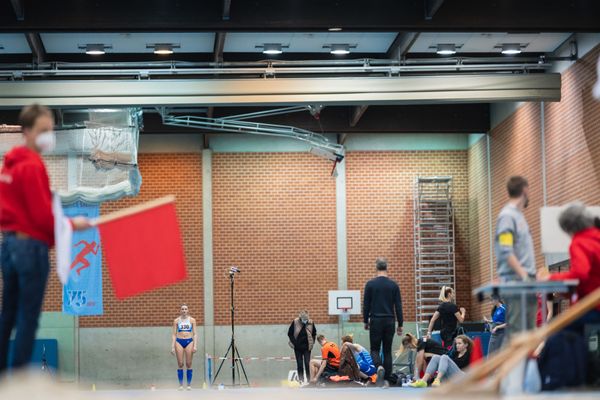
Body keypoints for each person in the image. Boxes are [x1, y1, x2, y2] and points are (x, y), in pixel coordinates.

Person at [0, 104, 91, 374]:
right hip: (30, 249)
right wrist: (71, 224)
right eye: (43, 131)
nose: (48, 136)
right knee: (28, 316)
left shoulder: (9, 166)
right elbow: (41, 216)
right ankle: (17, 378)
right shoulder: (31, 165)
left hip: (9, 246)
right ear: (26, 131)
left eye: (50, 130)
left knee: (8, 314)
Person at [538, 202, 600, 333]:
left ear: (568, 228)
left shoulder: (579, 242)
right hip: (594, 302)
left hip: (592, 306)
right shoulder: (596, 238)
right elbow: (591, 277)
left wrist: (551, 278)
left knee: (558, 334)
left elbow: (580, 274)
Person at [495, 176, 537, 338]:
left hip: (525, 279)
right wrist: (524, 275)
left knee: (528, 332)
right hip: (517, 281)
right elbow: (506, 250)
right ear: (525, 190)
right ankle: (511, 364)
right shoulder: (508, 217)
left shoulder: (519, 216)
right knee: (517, 333)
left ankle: (526, 363)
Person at [363, 257, 403, 384]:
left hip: (376, 319)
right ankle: (387, 379)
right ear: (387, 267)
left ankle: (379, 366)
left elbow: (366, 305)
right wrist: (400, 323)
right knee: (387, 350)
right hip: (390, 320)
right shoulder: (393, 285)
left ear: (376, 267)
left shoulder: (370, 284)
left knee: (374, 349)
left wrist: (365, 320)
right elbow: (398, 305)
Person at [171, 304, 197, 390]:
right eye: (182, 309)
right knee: (180, 363)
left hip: (189, 341)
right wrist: (172, 347)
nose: (184, 310)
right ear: (180, 310)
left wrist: (195, 346)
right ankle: (181, 385)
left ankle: (189, 385)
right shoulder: (176, 321)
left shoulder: (192, 320)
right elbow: (174, 334)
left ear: (188, 310)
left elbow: (195, 334)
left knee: (189, 363)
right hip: (179, 341)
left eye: (186, 309)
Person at [287, 310, 317, 383]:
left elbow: (314, 333)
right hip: (297, 347)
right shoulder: (295, 322)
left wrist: (312, 342)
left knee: (307, 363)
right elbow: (289, 333)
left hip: (307, 347)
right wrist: (294, 343)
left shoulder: (311, 322)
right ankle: (301, 380)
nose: (305, 321)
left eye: (306, 320)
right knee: (299, 364)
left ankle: (309, 380)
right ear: (300, 318)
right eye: (304, 319)